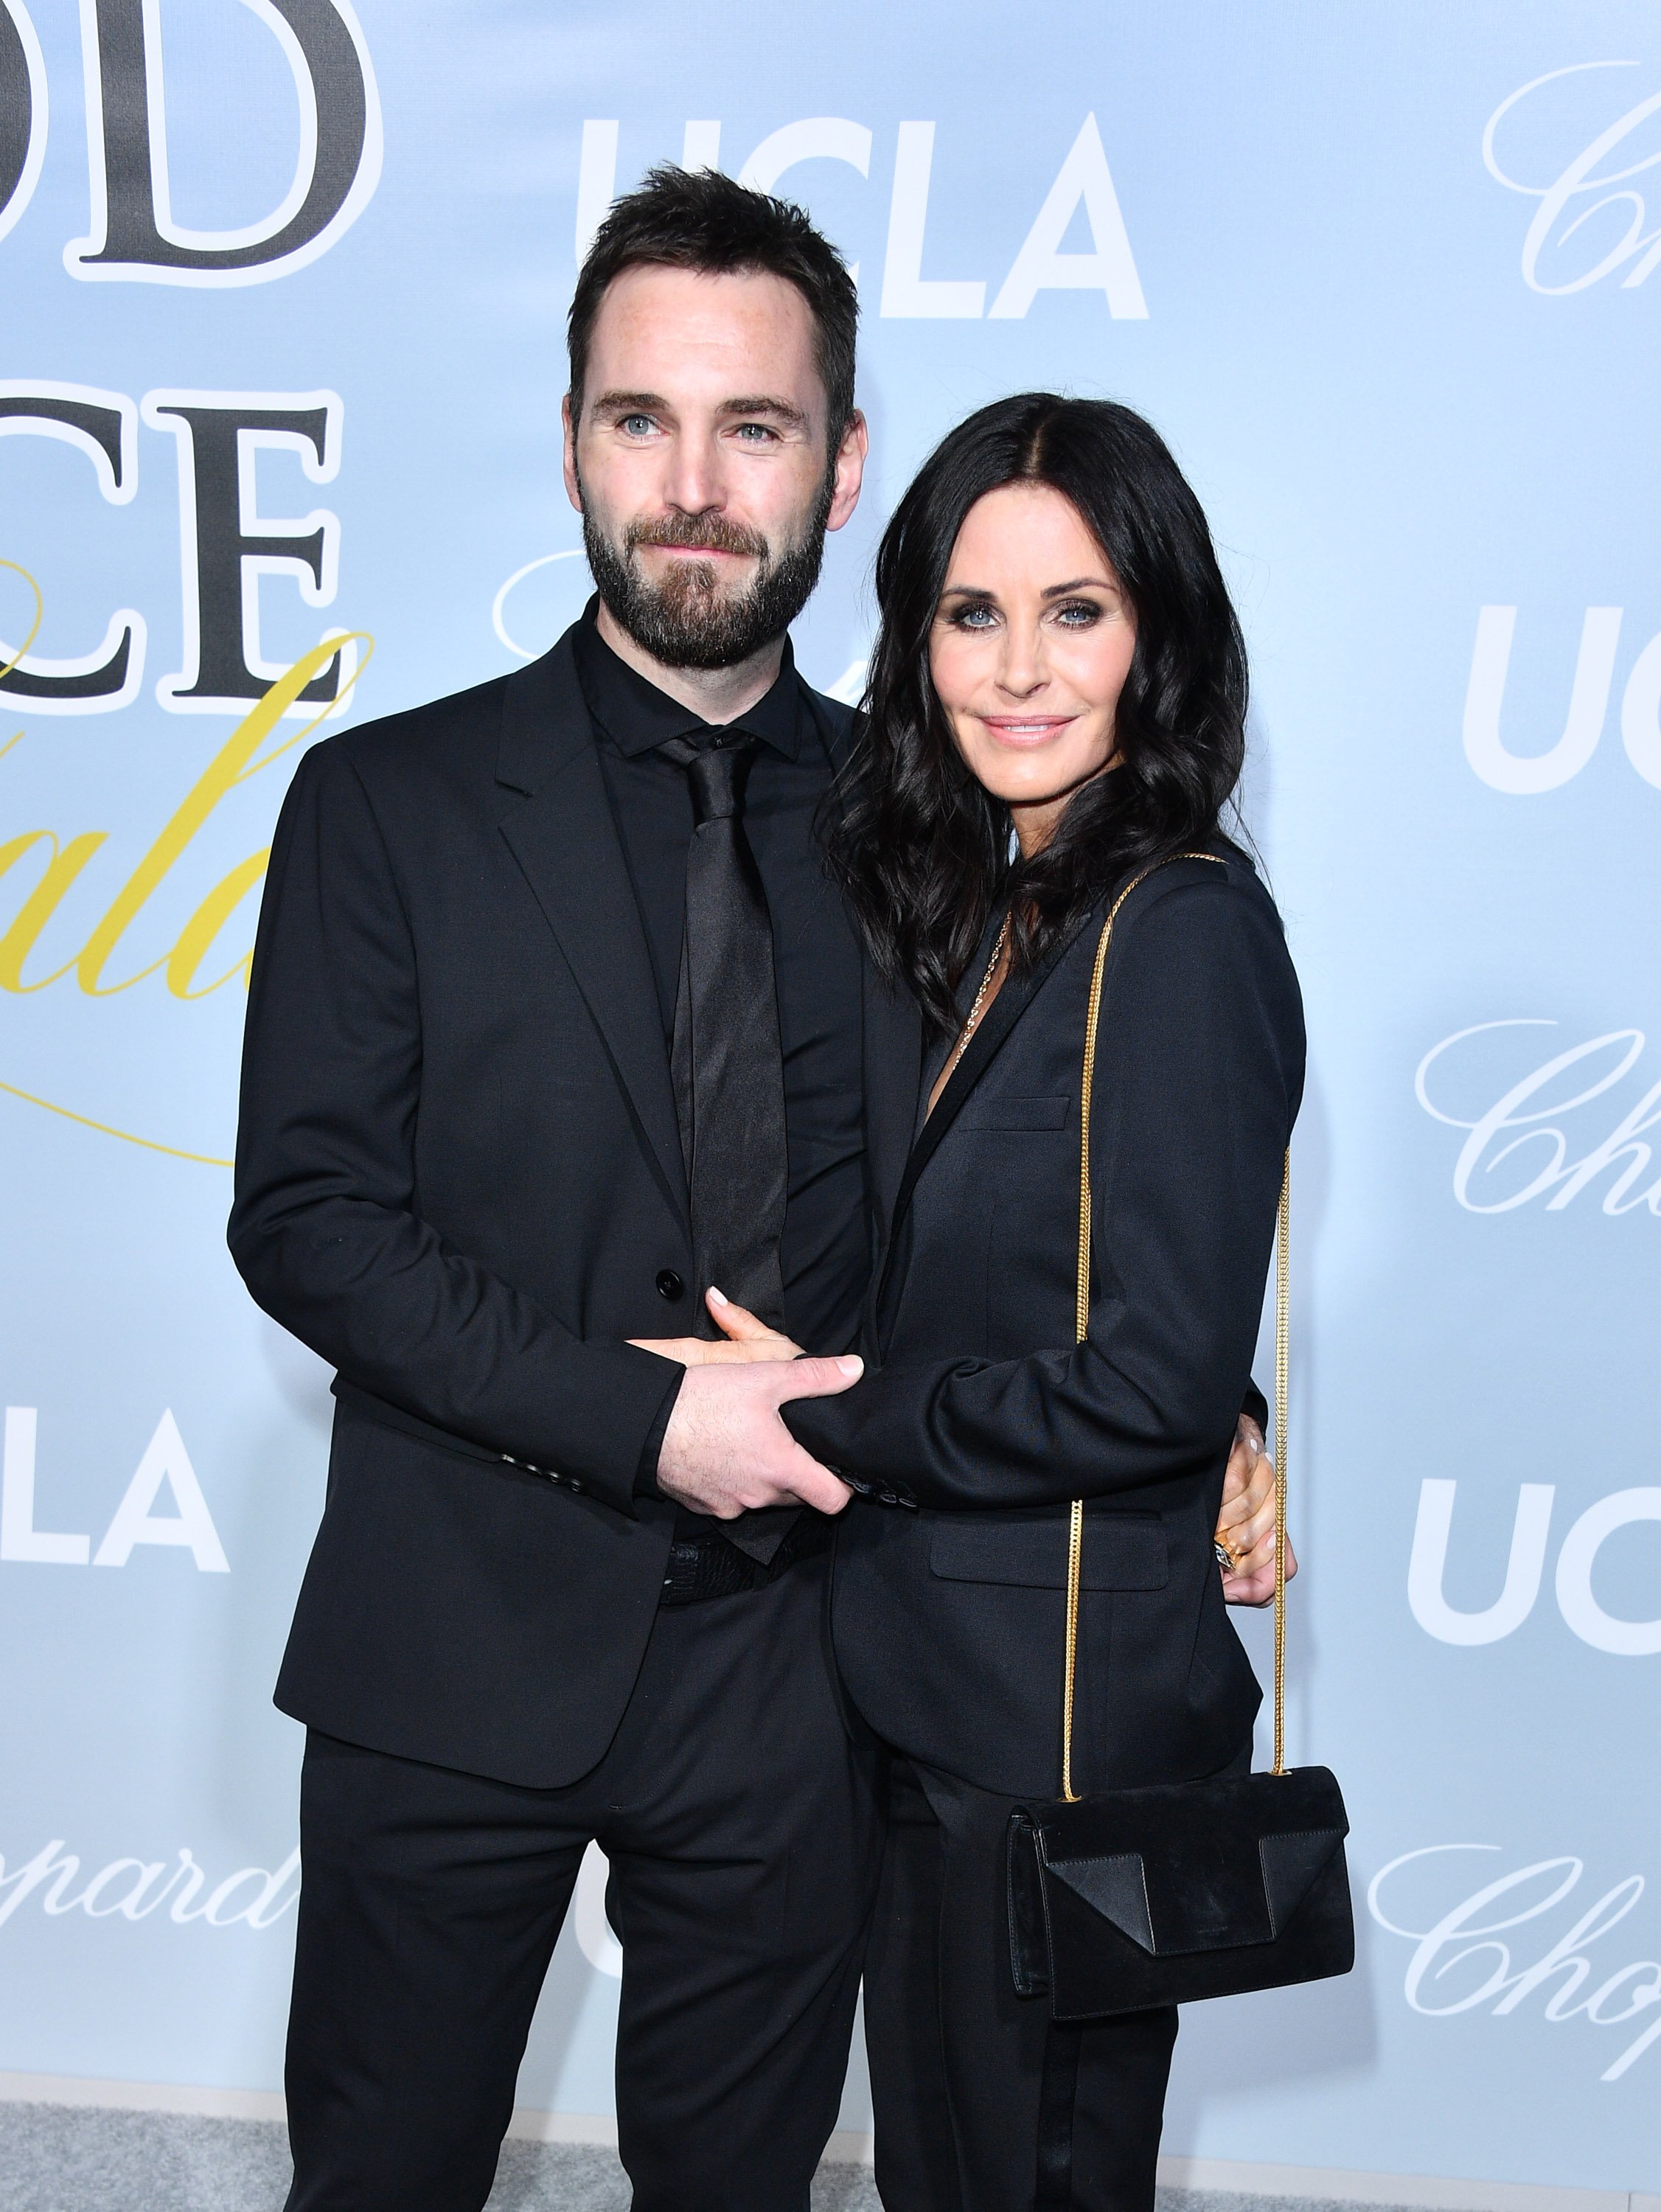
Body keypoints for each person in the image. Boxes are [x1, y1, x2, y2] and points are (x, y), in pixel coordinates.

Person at [231, 159, 1281, 2212]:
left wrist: (1204, 1410)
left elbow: (1035, 1194)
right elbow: (309, 1224)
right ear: (568, 445)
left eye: (756, 426)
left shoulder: (941, 823)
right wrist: (653, 1418)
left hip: (810, 1669)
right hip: (452, 1639)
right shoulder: (385, 804)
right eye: (643, 418)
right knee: (381, 2175)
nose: (696, 483)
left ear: (841, 460)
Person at [693, 394, 1303, 2210]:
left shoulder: (1176, 929)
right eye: (972, 613)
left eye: (1077, 610)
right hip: (942, 1712)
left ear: (1158, 636)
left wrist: (822, 1413)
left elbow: (1149, 1376)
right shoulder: (995, 906)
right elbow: (1067, 1277)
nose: (1017, 670)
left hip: (1053, 1750)